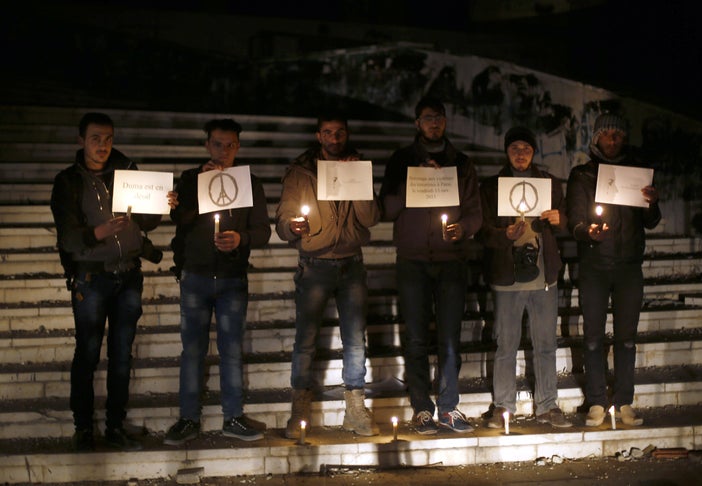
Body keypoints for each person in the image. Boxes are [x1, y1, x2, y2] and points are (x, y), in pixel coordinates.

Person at [51, 112, 167, 452]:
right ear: (81, 141)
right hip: (91, 278)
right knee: (87, 353)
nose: (103, 146)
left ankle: (115, 425)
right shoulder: (68, 182)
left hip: (128, 275)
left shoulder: (128, 174)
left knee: (121, 355)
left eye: (109, 139)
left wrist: (162, 205)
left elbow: (147, 222)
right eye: (96, 138)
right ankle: (83, 427)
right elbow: (68, 238)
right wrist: (99, 232)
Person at [163, 119, 271, 445]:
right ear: (207, 145)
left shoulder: (249, 182)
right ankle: (187, 419)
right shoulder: (189, 179)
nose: (223, 151)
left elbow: (263, 231)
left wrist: (241, 238)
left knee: (231, 350)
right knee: (192, 351)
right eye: (217, 144)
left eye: (230, 145)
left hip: (231, 277)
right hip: (195, 275)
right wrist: (198, 186)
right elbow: (179, 219)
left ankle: (233, 417)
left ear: (238, 146)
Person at [379, 96, 482, 434]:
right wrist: (413, 183)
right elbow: (387, 210)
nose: (434, 123)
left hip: (451, 260)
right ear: (416, 123)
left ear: (446, 121)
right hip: (412, 260)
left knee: (450, 338)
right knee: (417, 338)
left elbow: (474, 212)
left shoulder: (461, 163)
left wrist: (463, 228)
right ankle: (422, 408)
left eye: (439, 117)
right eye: (427, 118)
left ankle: (449, 407)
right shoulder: (401, 161)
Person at [276, 113, 380, 439]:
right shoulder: (300, 171)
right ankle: (300, 409)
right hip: (315, 264)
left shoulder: (357, 165)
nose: (335, 139)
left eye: (340, 133)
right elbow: (282, 218)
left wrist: (356, 180)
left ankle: (355, 408)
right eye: (328, 133)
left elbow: (371, 217)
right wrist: (292, 227)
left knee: (355, 340)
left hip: (352, 263)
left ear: (346, 135)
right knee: (305, 341)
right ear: (318, 136)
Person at [566, 113, 661, 427]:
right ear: (596, 138)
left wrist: (652, 202)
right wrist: (587, 231)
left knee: (626, 339)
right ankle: (595, 401)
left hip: (629, 267)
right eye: (606, 134)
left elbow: (650, 221)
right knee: (593, 338)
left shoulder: (637, 174)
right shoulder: (581, 175)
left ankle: (623, 402)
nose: (613, 139)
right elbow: (575, 220)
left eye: (618, 134)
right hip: (594, 266)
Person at [478, 127, 571, 429]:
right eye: (515, 147)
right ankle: (503, 406)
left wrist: (560, 220)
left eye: (526, 148)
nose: (520, 153)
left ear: (533, 152)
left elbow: (565, 223)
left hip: (544, 276)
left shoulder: (549, 183)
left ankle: (548, 405)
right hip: (507, 276)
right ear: (506, 151)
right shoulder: (492, 186)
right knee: (506, 344)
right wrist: (503, 235)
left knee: (545, 343)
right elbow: (482, 232)